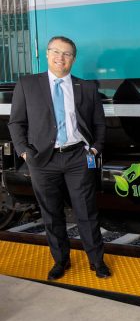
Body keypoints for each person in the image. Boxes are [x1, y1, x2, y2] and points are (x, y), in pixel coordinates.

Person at [8, 36, 111, 280]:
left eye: (66, 54)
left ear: (73, 59)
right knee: (51, 214)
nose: (60, 57)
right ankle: (61, 261)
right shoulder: (27, 84)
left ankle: (97, 262)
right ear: (47, 54)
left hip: (77, 157)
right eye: (56, 51)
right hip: (42, 161)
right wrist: (24, 151)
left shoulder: (86, 88)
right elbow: (16, 123)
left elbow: (99, 124)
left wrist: (94, 149)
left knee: (86, 212)